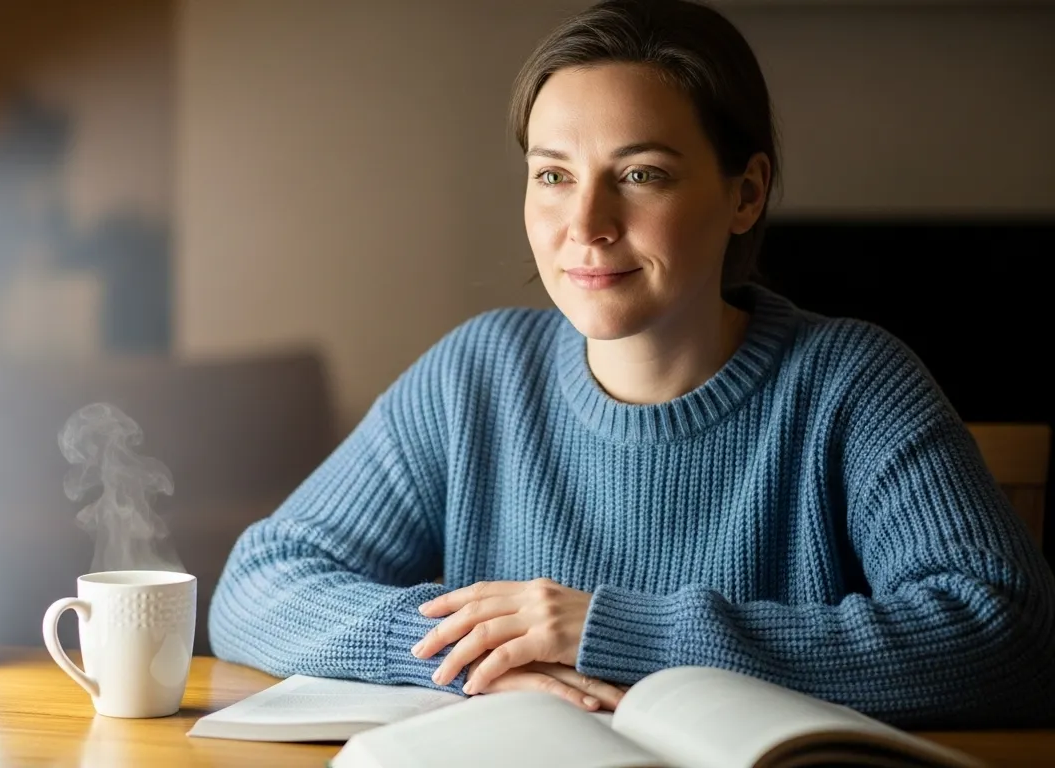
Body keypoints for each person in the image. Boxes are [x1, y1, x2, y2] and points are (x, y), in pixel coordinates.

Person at [207, 0, 1055, 729]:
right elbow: (257, 587)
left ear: (746, 194)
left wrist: (612, 632)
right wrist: (474, 651)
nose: (585, 223)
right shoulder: (475, 376)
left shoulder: (852, 383)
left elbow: (1009, 634)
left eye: (640, 174)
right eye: (552, 174)